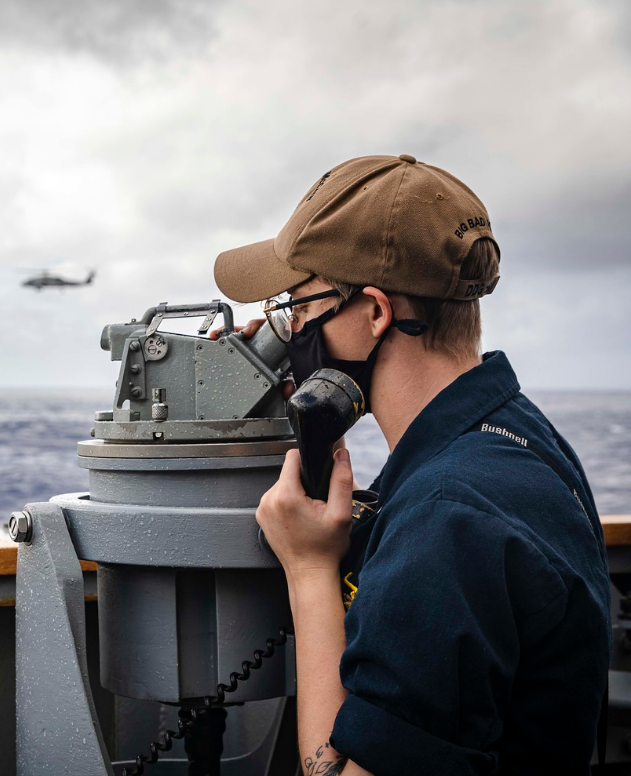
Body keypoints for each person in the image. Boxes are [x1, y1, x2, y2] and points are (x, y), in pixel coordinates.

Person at [212, 154, 610, 774]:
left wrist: (310, 570)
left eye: (298, 305)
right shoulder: (514, 437)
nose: (288, 330)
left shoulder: (446, 520)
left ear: (375, 312)